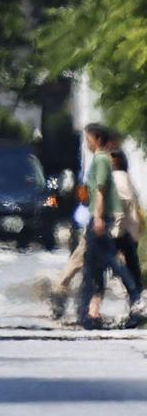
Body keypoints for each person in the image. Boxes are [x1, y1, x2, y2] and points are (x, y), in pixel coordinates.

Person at [76, 124, 145, 329]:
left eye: (88, 139)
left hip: (104, 221)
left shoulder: (101, 160)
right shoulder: (104, 161)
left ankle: (135, 298)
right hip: (106, 221)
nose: (86, 143)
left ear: (97, 139)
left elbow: (101, 191)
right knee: (95, 266)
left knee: (107, 262)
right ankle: (89, 312)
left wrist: (97, 218)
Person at [111, 149, 142, 295]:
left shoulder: (117, 177)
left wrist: (115, 231)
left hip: (123, 231)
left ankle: (136, 298)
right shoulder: (125, 177)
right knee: (132, 267)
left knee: (125, 268)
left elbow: (121, 205)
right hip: (131, 230)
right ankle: (137, 298)